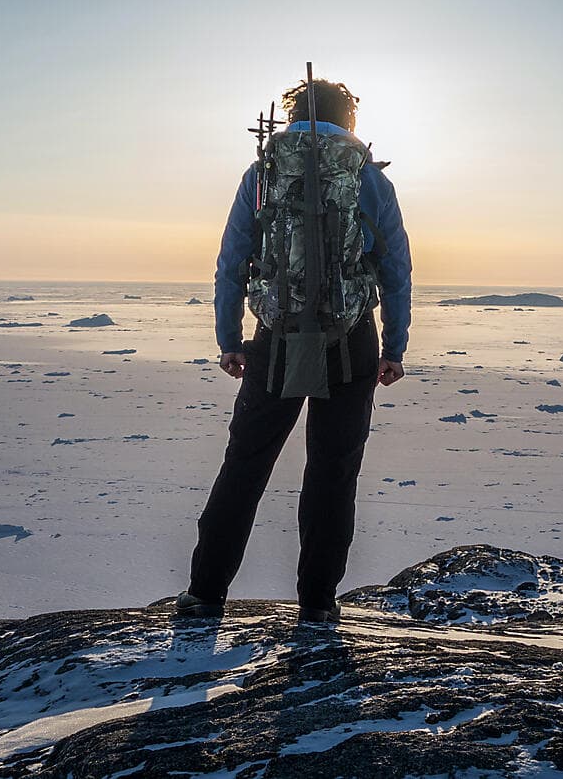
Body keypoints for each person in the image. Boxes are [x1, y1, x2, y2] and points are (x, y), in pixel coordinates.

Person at [176, 76, 411, 624]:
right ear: (347, 121)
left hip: (277, 337)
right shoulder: (367, 178)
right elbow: (396, 266)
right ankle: (318, 605)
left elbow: (234, 257)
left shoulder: (264, 173)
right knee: (333, 471)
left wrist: (229, 338)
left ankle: (205, 593)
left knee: (246, 463)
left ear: (290, 118)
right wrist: (394, 345)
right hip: (352, 338)